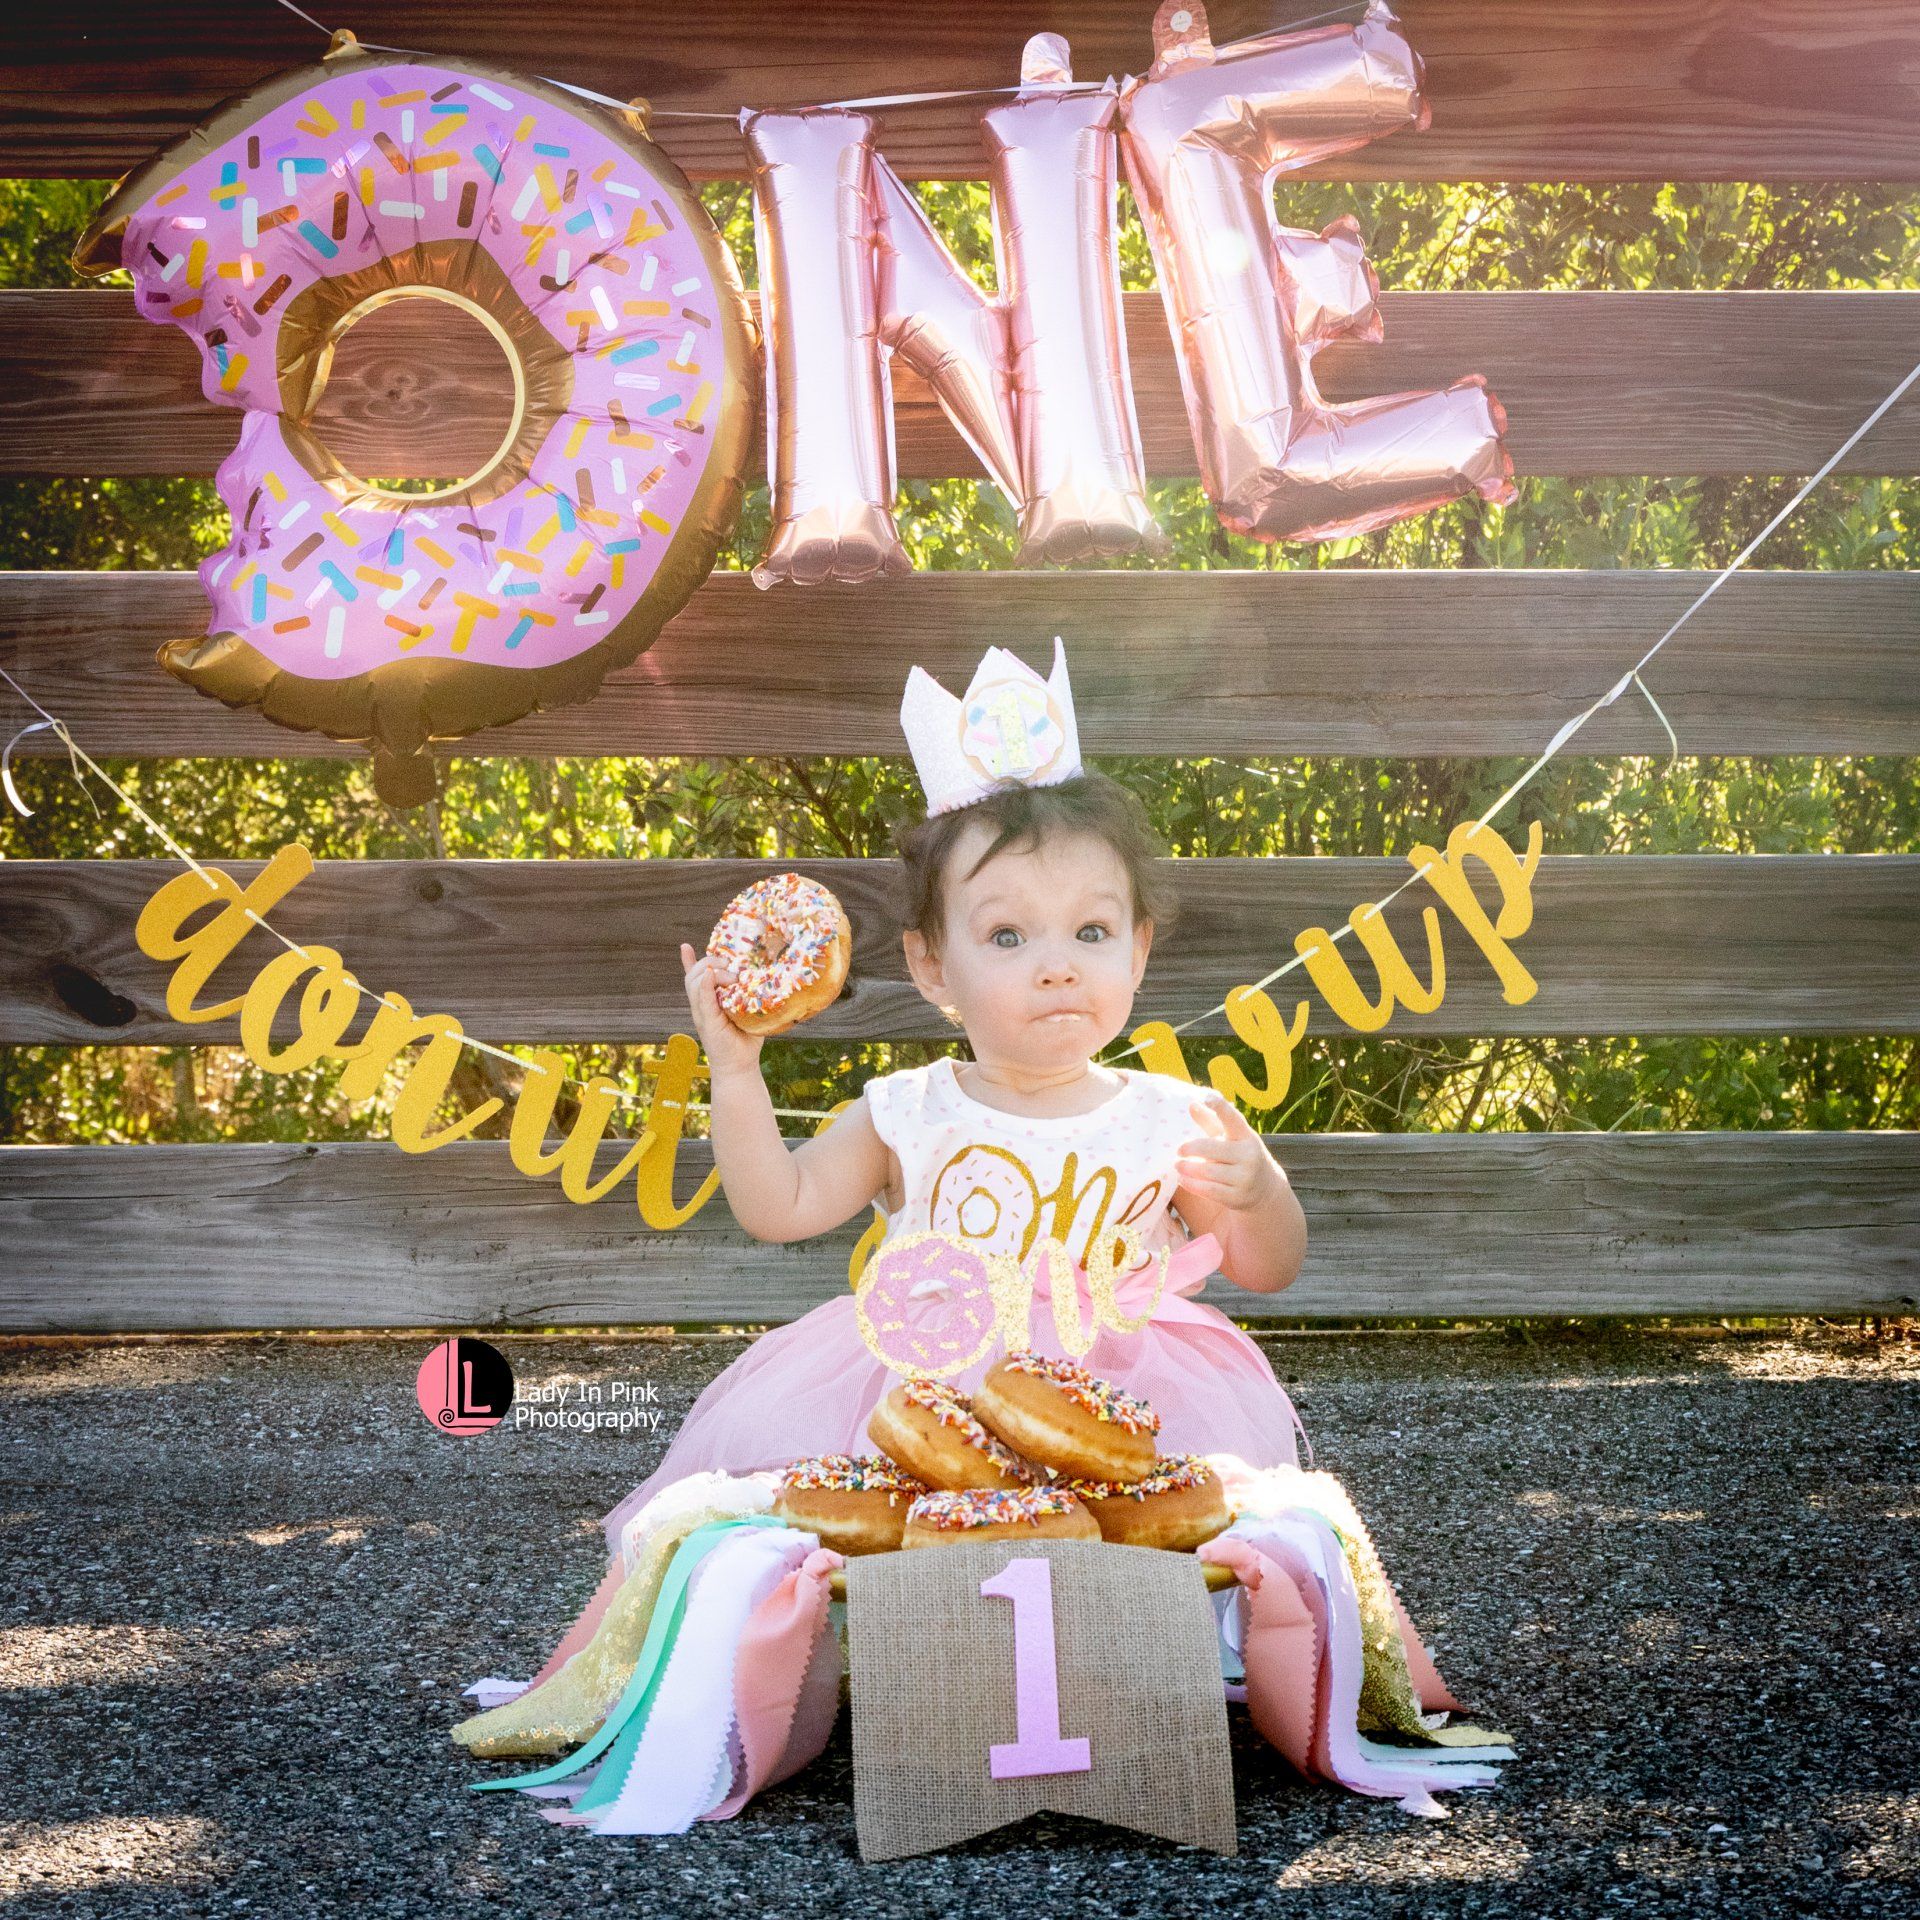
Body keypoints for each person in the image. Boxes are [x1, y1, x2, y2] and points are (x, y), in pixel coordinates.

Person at [456, 640, 1318, 1743]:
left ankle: (1149, 1670)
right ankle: (888, 1665)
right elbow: (781, 1207)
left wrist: (1258, 1189)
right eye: (1007, 934)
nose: (1057, 963)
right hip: (924, 1384)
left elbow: (1266, 1266)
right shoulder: (908, 1108)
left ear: (1139, 952)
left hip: (1125, 1378)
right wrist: (734, 1071)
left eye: (1091, 931)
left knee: (1152, 1522)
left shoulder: (1169, 1112)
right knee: (870, 1527)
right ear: (930, 968)